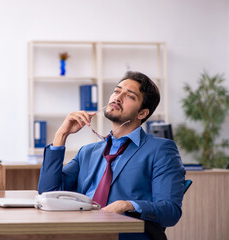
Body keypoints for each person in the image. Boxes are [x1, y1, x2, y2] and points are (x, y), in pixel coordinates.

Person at [38, 71, 186, 240]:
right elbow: (47, 192)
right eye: (117, 91)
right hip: (81, 231)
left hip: (125, 235)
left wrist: (128, 205)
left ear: (142, 113)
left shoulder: (161, 150)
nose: (117, 97)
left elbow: (170, 211)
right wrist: (61, 135)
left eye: (129, 96)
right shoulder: (88, 152)